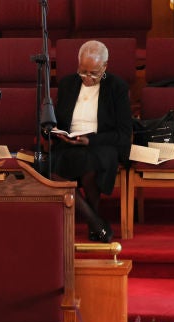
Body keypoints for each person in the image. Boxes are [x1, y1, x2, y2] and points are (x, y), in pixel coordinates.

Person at [51, 40, 132, 244]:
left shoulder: (117, 87)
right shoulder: (68, 84)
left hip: (102, 144)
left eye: (93, 73)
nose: (87, 78)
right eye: (83, 71)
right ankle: (95, 221)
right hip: (68, 144)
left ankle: (93, 220)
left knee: (90, 162)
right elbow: (59, 120)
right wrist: (55, 131)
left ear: (104, 67)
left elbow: (123, 134)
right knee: (47, 167)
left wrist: (90, 140)